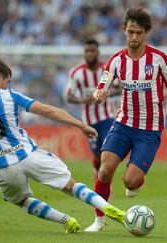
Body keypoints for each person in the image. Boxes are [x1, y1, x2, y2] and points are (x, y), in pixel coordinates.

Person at [0, 58, 126, 233]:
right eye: (7, 81)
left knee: (20, 201)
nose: (7, 86)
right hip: (29, 156)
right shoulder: (11, 96)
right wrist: (81, 125)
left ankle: (65, 220)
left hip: (3, 167)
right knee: (70, 185)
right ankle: (108, 208)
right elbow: (49, 111)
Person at [86, 7, 167, 232]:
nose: (134, 37)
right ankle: (99, 221)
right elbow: (101, 86)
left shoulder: (159, 59)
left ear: (146, 32)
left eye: (139, 33)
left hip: (150, 128)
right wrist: (98, 94)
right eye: (130, 32)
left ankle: (136, 178)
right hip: (123, 123)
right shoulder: (116, 61)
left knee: (130, 181)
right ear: (124, 30)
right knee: (104, 170)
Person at [66, 39, 117, 179]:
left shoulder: (106, 69)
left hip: (107, 117)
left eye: (92, 51)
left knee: (108, 152)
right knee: (96, 155)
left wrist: (106, 93)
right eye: (86, 51)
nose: (89, 54)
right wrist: (84, 100)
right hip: (89, 120)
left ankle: (106, 183)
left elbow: (118, 88)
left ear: (97, 52)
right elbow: (69, 96)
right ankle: (98, 172)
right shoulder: (76, 72)